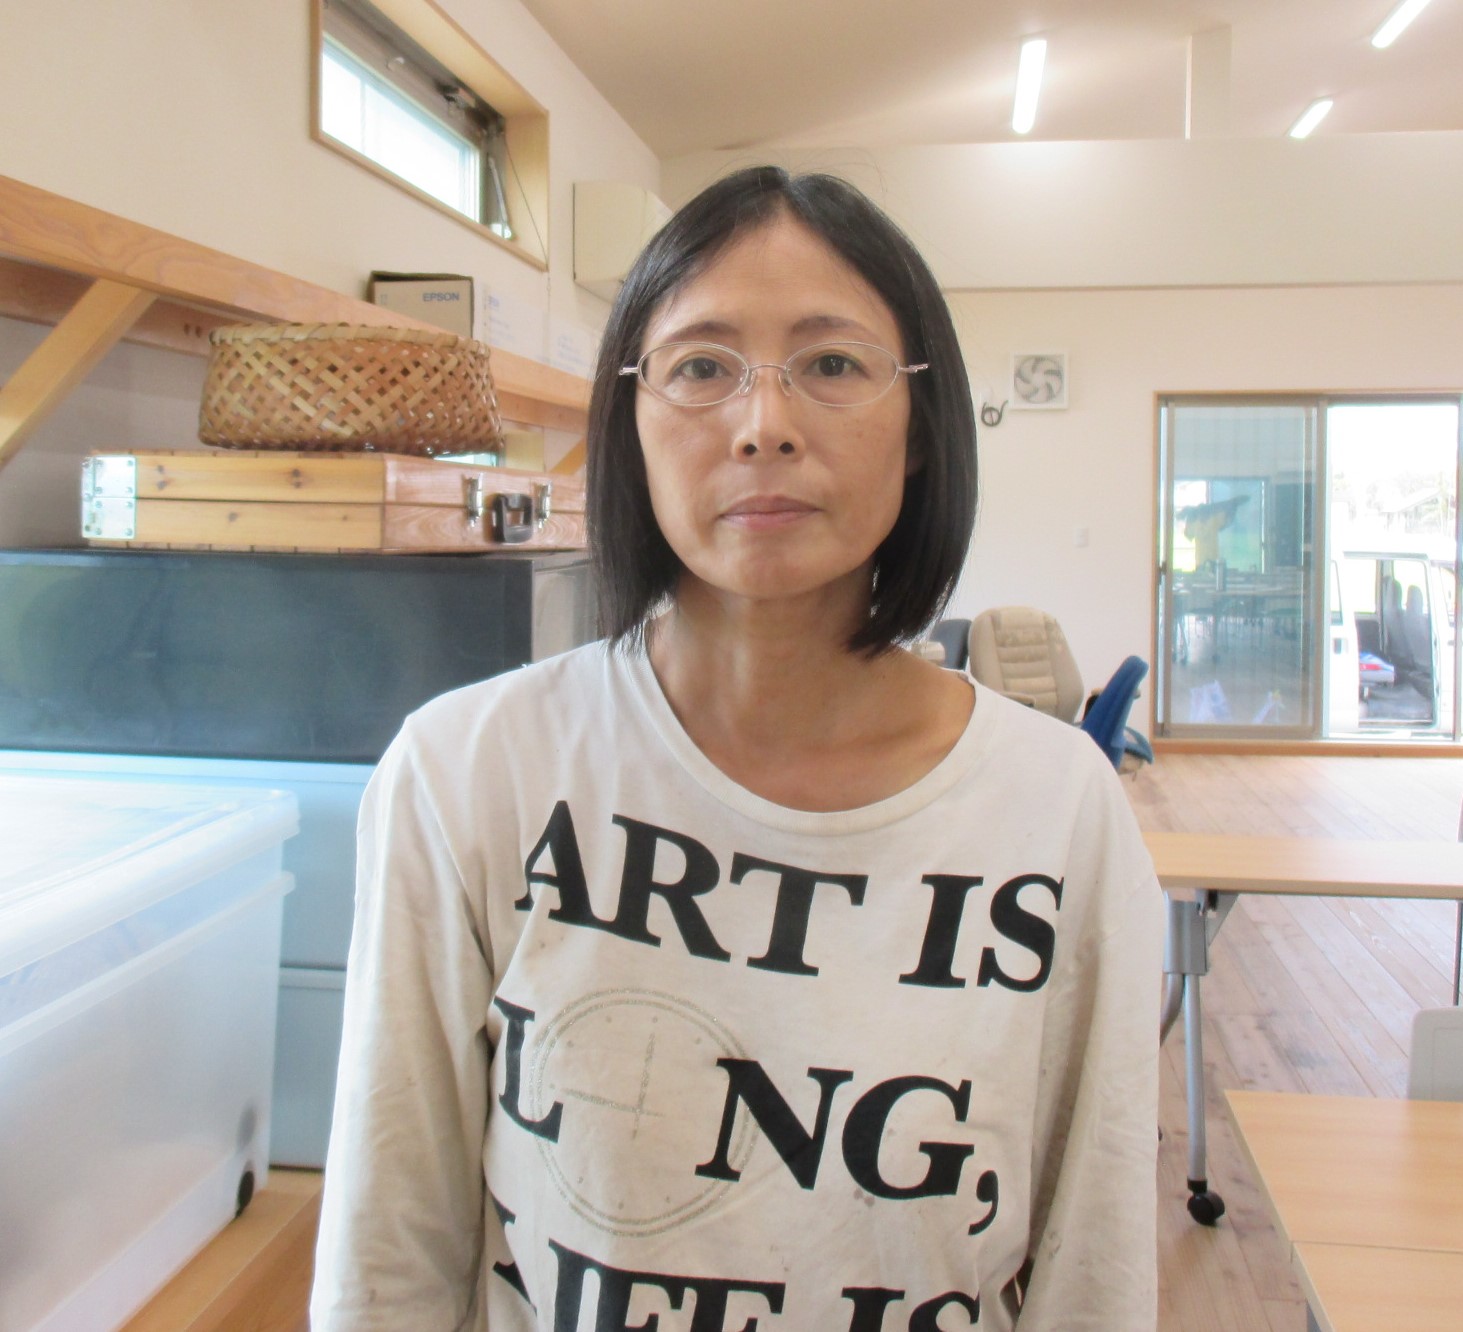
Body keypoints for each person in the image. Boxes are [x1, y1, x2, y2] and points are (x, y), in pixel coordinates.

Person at [311, 166, 1163, 1331]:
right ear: (630, 422)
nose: (764, 425)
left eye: (833, 365)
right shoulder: (468, 773)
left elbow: (1090, 1266)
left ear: (920, 430)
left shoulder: (1056, 808)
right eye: (701, 368)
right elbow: (389, 1251)